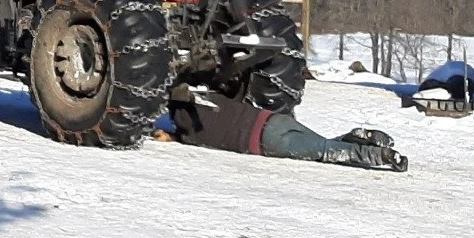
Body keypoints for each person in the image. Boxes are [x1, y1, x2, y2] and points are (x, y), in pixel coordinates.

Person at [160, 85, 408, 172]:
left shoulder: (187, 131)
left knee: (325, 151)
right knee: (324, 143)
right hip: (274, 120)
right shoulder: (207, 97)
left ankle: (381, 156)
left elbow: (187, 136)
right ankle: (355, 138)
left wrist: (173, 136)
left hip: (266, 142)